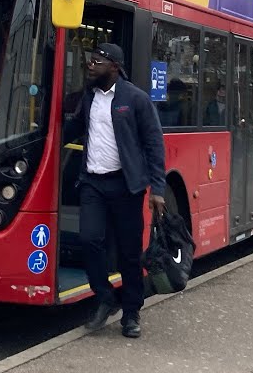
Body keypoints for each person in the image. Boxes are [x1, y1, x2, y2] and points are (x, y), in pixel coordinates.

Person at [63, 43, 166, 339]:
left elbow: (153, 144)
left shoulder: (135, 99)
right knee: (89, 240)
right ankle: (105, 297)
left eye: (97, 61)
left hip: (125, 185)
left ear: (114, 66)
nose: (90, 65)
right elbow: (73, 128)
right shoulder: (89, 96)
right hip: (93, 182)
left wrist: (157, 189)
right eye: (90, 60)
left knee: (128, 253)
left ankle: (131, 312)